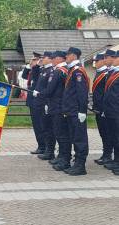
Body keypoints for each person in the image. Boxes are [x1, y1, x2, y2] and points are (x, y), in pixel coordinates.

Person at [34, 51, 71, 170]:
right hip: (55, 106)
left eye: (54, 58)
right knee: (59, 134)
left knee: (62, 135)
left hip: (58, 107)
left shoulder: (60, 71)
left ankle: (65, 159)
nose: (52, 60)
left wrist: (39, 93)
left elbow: (50, 90)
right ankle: (61, 157)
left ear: (60, 59)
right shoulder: (59, 70)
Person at [62, 47, 90, 176]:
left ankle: (80, 166)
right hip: (71, 111)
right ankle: (77, 163)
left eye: (67, 55)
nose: (65, 57)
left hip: (76, 111)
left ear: (73, 56)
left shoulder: (78, 71)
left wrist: (82, 111)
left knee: (80, 138)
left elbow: (82, 93)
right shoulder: (72, 70)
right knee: (74, 137)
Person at [32, 51, 56, 160]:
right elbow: (35, 76)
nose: (42, 59)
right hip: (38, 102)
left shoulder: (51, 71)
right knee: (40, 126)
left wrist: (46, 102)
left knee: (46, 128)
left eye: (44, 57)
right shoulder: (43, 69)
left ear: (50, 58)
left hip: (44, 102)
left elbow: (50, 89)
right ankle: (44, 148)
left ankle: (48, 149)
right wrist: (37, 64)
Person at [22, 52, 46, 154]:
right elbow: (24, 76)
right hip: (32, 101)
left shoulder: (40, 70)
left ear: (39, 61)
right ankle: (40, 145)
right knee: (36, 126)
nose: (32, 61)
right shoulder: (32, 70)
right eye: (32, 60)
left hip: (39, 102)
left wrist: (36, 65)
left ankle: (44, 146)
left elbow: (36, 77)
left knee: (41, 125)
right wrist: (29, 65)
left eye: (34, 60)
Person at [92, 54, 113, 165]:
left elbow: (106, 93)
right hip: (98, 108)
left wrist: (104, 108)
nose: (95, 62)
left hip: (104, 108)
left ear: (102, 61)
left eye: (97, 60)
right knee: (103, 133)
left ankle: (108, 155)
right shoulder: (100, 72)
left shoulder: (105, 74)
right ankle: (106, 154)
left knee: (107, 133)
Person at [103, 51, 119, 174]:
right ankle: (116, 161)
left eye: (115, 58)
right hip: (111, 111)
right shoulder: (114, 73)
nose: (113, 60)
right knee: (114, 138)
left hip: (116, 110)